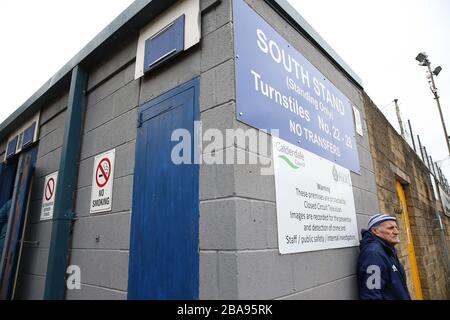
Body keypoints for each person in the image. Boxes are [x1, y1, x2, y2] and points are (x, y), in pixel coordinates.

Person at [357, 213, 411, 300]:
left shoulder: (387, 250)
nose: (396, 232)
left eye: (396, 228)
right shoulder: (373, 254)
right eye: (390, 228)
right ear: (375, 231)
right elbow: (371, 295)